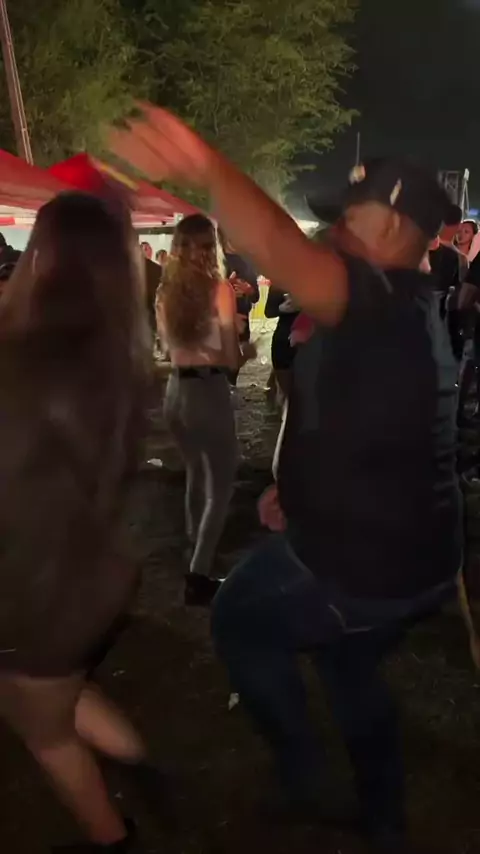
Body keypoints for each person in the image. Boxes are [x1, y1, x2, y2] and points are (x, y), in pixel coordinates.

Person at [108, 107, 462, 854]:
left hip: (364, 566)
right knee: (346, 663)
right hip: (411, 560)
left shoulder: (379, 299)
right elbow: (370, 430)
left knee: (240, 618)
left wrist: (206, 166)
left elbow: (274, 243)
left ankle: (305, 779)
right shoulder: (410, 313)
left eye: (350, 220)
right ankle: (384, 816)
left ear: (393, 229)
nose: (331, 235)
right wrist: (295, 486)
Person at [0, 192, 153, 853]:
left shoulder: (19, 366)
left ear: (43, 257)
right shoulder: (115, 358)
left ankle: (114, 838)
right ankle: (141, 764)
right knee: (59, 691)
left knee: (47, 734)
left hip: (31, 591)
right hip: (88, 579)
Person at [157, 214, 254, 606]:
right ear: (210, 246)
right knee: (222, 481)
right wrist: (247, 345)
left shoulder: (165, 291)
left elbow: (168, 347)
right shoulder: (219, 289)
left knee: (196, 471)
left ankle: (193, 544)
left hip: (174, 392)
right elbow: (230, 359)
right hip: (207, 391)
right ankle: (198, 574)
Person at [218, 229, 259, 386]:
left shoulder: (247, 260)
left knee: (234, 367)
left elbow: (256, 297)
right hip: (221, 322)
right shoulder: (217, 260)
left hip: (242, 321)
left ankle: (229, 389)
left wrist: (249, 290)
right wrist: (226, 289)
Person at [264, 287, 299, 402]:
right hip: (284, 339)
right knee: (287, 392)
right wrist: (281, 308)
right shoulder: (279, 284)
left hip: (311, 339)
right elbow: (268, 311)